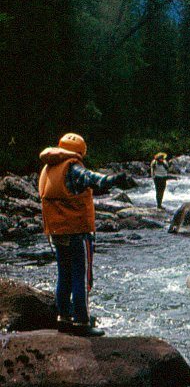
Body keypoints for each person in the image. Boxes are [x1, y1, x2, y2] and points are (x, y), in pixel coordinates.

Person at [39, 133, 128, 337]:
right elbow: (94, 180)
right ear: (79, 152)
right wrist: (115, 179)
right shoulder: (73, 167)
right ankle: (81, 321)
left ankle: (63, 318)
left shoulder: (49, 168)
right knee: (81, 277)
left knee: (64, 275)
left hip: (57, 231)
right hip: (77, 232)